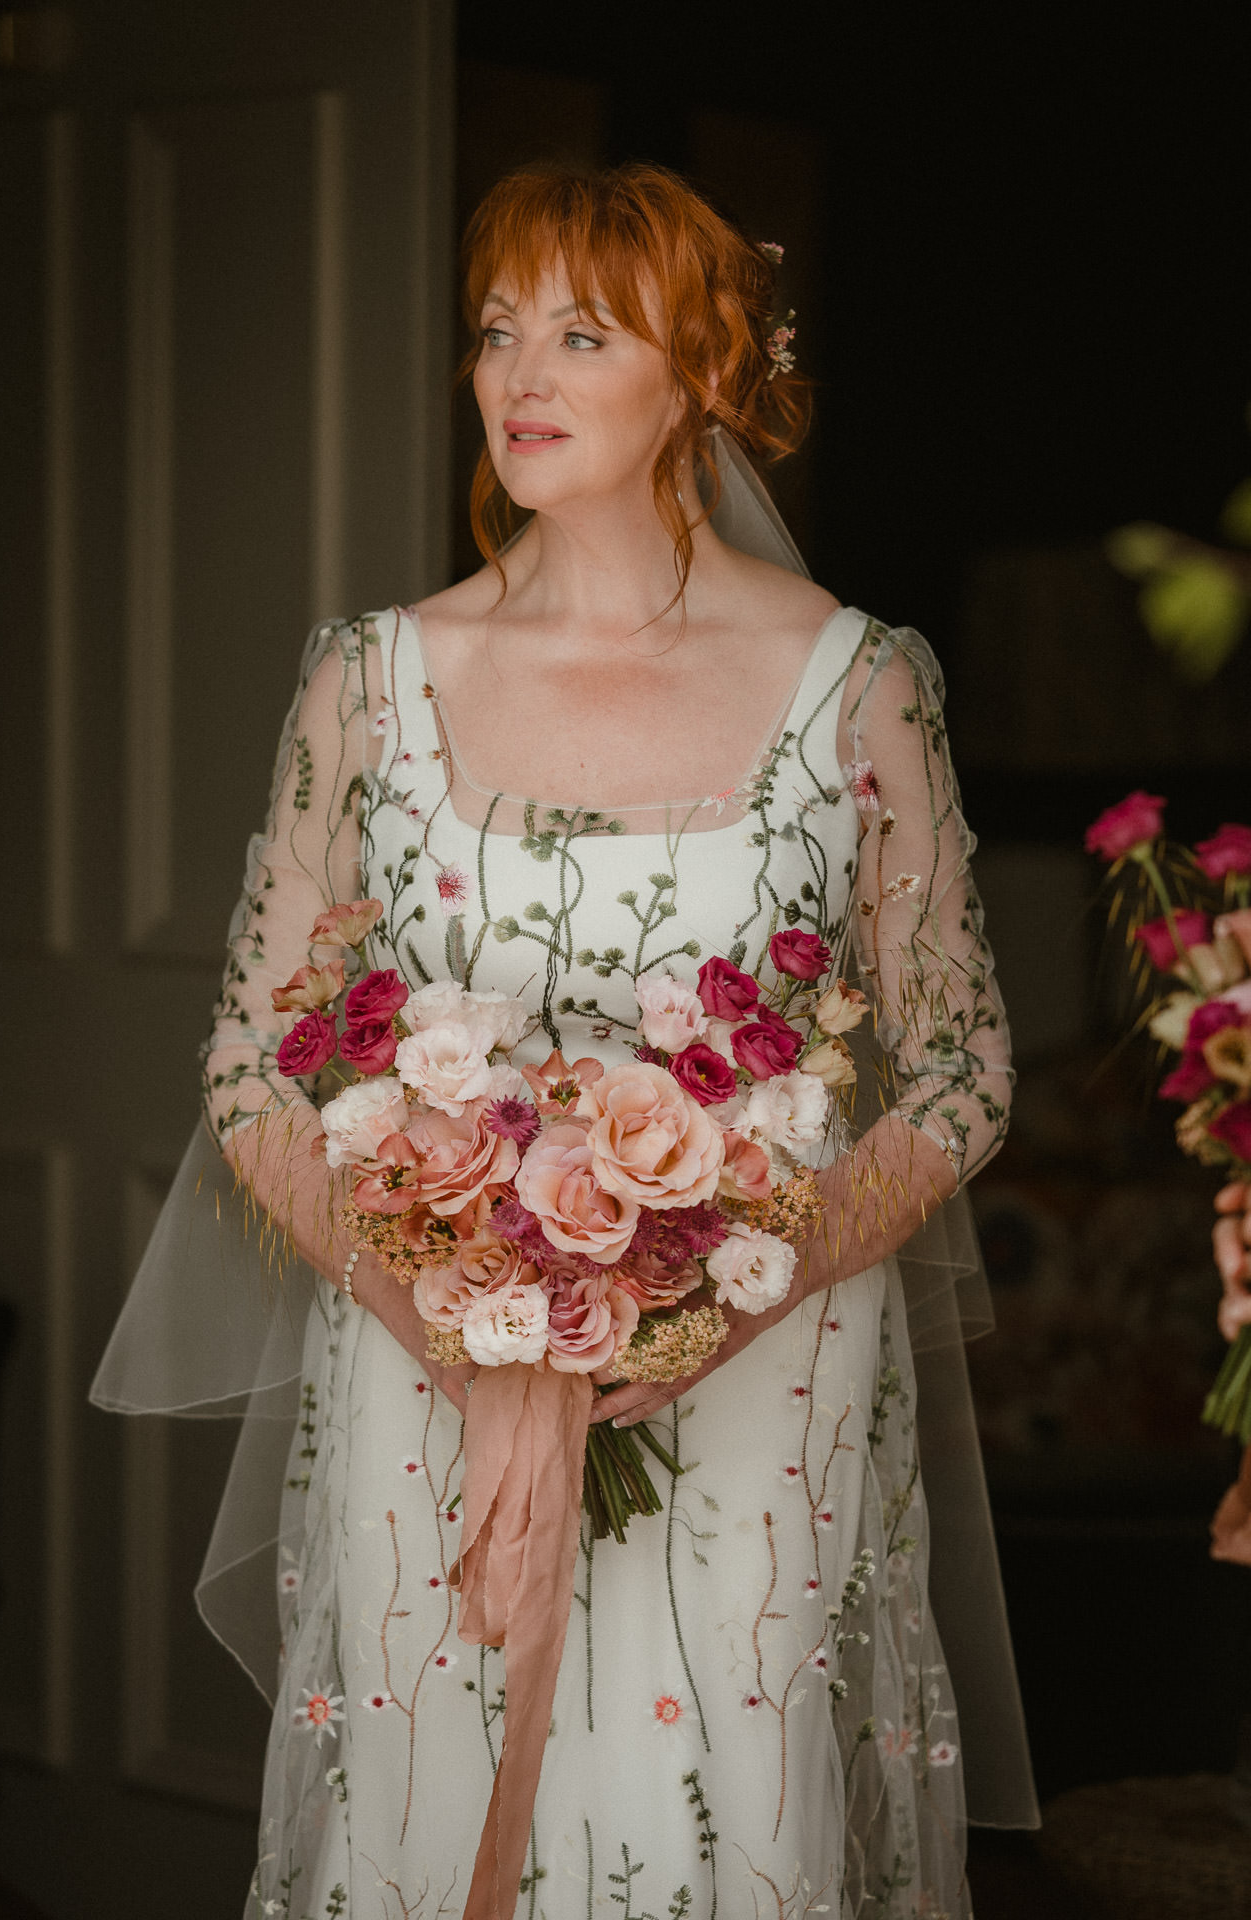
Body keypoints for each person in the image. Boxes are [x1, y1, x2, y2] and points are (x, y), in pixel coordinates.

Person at [94, 163, 1036, 1918]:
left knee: (727, 1831)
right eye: (496, 329)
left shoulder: (862, 684)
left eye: (581, 333)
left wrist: (727, 1295)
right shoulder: (370, 678)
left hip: (764, 1388)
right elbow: (249, 1063)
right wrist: (429, 1307)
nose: (518, 371)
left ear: (699, 373)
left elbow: (967, 1069)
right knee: (426, 1816)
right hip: (428, 1390)